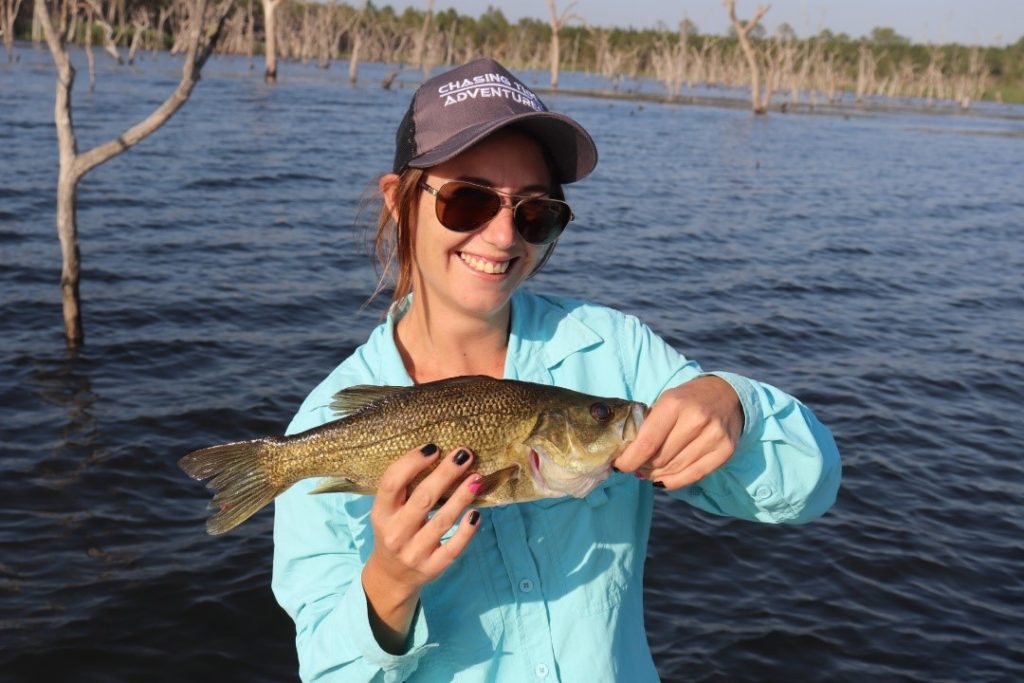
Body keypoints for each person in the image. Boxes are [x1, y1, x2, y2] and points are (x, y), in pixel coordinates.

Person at [272, 58, 841, 682]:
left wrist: (733, 404)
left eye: (535, 211)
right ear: (399, 201)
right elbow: (328, 670)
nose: (501, 236)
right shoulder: (324, 425)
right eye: (468, 201)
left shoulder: (613, 351)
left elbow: (806, 491)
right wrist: (389, 585)